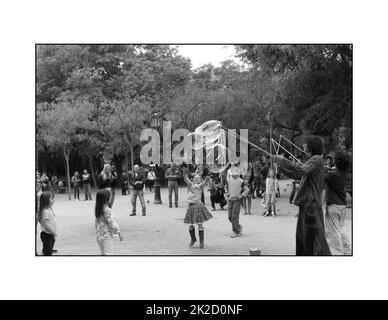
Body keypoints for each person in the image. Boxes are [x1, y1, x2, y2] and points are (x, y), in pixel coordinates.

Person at [274, 136, 331, 255]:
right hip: (308, 204)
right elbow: (298, 174)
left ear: (311, 146)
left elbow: (301, 170)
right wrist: (280, 166)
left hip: (312, 204)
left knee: (313, 238)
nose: (304, 146)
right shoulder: (313, 160)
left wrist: (284, 160)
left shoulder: (316, 159)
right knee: (304, 237)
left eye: (305, 144)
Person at [324, 150, 351, 255]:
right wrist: (329, 170)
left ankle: (337, 254)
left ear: (337, 162)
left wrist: (324, 169)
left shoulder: (332, 175)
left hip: (333, 207)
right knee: (342, 229)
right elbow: (333, 174)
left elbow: (323, 177)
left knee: (333, 233)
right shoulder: (343, 174)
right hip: (342, 207)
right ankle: (347, 250)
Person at [182, 167, 213, 249]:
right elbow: (186, 179)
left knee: (199, 224)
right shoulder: (191, 185)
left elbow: (205, 183)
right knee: (191, 225)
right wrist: (184, 173)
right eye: (195, 178)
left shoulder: (200, 186)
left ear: (200, 180)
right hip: (191, 206)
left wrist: (206, 180)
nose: (196, 179)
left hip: (198, 206)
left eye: (198, 178)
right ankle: (193, 239)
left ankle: (201, 241)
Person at [95, 189, 123, 255]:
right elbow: (112, 223)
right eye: (110, 196)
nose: (111, 197)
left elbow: (96, 223)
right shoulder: (107, 210)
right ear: (105, 199)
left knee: (103, 253)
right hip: (107, 236)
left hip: (99, 236)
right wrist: (119, 232)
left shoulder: (98, 209)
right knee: (108, 254)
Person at [225, 166, 249, 238]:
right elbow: (226, 188)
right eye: (232, 173)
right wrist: (227, 193)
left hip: (237, 200)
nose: (233, 174)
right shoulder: (229, 180)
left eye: (235, 173)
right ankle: (238, 226)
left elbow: (246, 189)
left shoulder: (241, 181)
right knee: (230, 217)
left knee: (234, 216)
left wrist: (242, 195)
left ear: (238, 173)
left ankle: (236, 231)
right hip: (230, 200)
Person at [38, 191, 57, 256]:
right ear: (46, 200)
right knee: (47, 253)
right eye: (52, 198)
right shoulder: (45, 211)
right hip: (47, 235)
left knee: (49, 251)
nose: (53, 200)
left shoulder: (49, 209)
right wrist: (53, 233)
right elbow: (46, 225)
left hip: (50, 234)